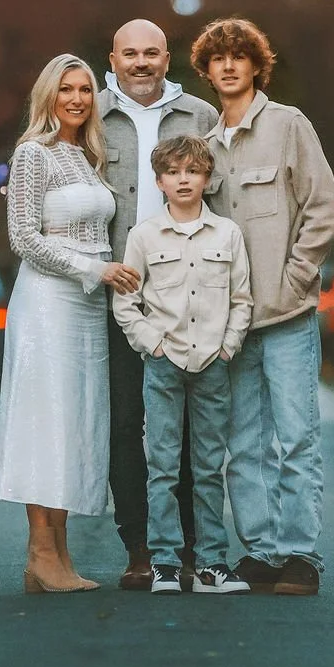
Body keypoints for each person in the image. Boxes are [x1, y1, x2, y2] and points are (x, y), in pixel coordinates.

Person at [192, 18, 334, 597]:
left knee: (297, 438)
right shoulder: (204, 148)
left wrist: (294, 279)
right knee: (244, 445)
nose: (229, 65)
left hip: (286, 318)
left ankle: (301, 554)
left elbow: (323, 208)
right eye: (218, 58)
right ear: (207, 72)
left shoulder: (287, 125)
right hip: (231, 325)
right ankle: (262, 550)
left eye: (239, 56)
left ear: (257, 65)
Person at [0, 54, 140, 593]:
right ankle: (39, 551)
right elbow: (24, 238)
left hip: (88, 308)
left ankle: (58, 554)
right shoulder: (34, 153)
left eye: (85, 90)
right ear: (47, 95)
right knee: (46, 421)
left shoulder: (86, 155)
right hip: (48, 304)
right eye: (66, 89)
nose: (76, 99)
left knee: (77, 423)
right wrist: (95, 269)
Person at [99, 18, 218, 591]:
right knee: (125, 423)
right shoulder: (91, 116)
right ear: (113, 60)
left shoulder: (201, 116)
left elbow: (224, 200)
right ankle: (140, 547)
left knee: (190, 427)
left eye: (151, 53)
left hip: (188, 297)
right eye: (130, 54)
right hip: (116, 295)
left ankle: (190, 548)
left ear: (168, 59)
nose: (141, 63)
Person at [113, 136, 253, 594]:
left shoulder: (227, 234)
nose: (184, 180)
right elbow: (126, 303)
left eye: (193, 171)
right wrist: (152, 345)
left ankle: (212, 562)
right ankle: (166, 563)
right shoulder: (144, 236)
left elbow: (241, 299)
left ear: (207, 179)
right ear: (159, 182)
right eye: (173, 173)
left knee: (209, 467)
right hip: (163, 363)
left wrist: (228, 346)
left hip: (212, 363)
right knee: (163, 467)